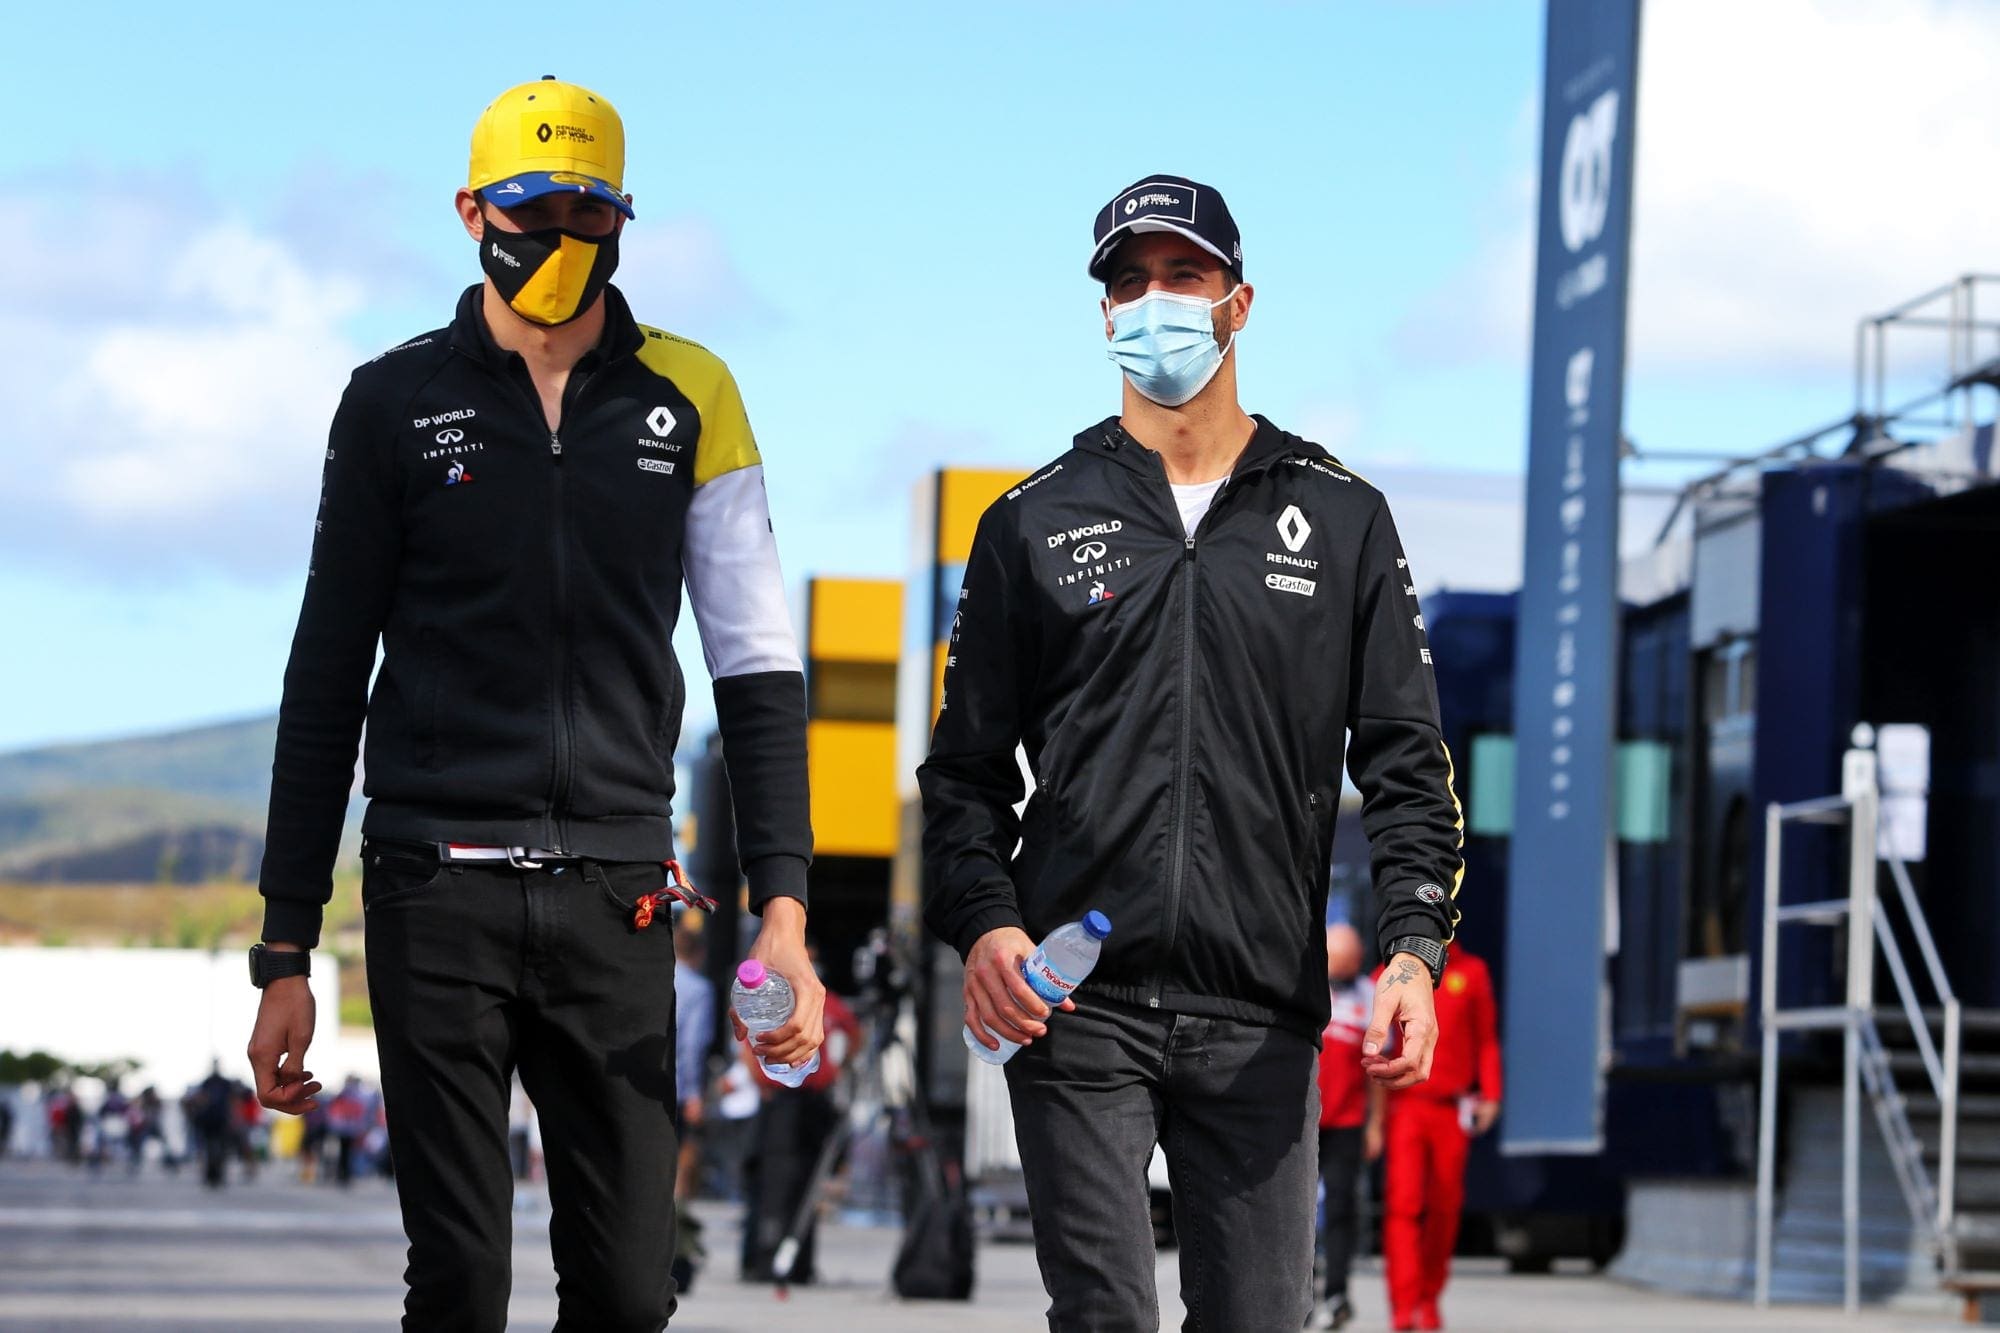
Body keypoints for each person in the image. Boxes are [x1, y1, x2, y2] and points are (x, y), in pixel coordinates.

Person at [245, 75, 821, 1331]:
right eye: (532, 209)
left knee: (624, 1291)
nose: (561, 238)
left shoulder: (694, 395)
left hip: (616, 893)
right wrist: (285, 946)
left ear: (624, 218)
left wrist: (784, 910)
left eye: (588, 210)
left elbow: (760, 670)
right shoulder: (390, 401)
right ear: (469, 212)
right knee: (459, 1280)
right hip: (430, 886)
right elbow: (324, 676)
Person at [919, 173, 1464, 1332]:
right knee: (1104, 1316)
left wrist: (1412, 950)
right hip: (1073, 1006)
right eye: (1127, 281)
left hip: (1260, 1011)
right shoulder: (1028, 519)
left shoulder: (1341, 516)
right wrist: (985, 922)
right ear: (1102, 312)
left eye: (1181, 275)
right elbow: (960, 776)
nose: (1151, 301)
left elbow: (1408, 766)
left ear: (1238, 301)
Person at [1367, 945, 1502, 1331]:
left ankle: (1428, 1298)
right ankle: (1404, 1303)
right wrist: (1374, 1120)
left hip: (1449, 1107)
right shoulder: (1389, 973)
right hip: (1406, 1107)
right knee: (1403, 1205)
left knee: (1444, 1205)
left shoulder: (1471, 972)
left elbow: (1486, 1037)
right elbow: (1374, 1042)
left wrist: (1490, 1092)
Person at [739, 978, 859, 1285]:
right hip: (779, 1099)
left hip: (813, 1098)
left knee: (808, 1178)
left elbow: (855, 1033)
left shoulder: (825, 999)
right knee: (773, 1180)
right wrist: (756, 1076)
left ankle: (800, 1261)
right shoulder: (773, 996)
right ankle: (765, 1255)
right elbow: (745, 1035)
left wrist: (839, 1066)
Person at [1312, 923, 1375, 1330]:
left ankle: (1336, 1293)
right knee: (1292, 1211)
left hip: (1347, 1123)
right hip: (1300, 1123)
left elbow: (1376, 1070)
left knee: (1340, 1210)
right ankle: (1296, 1292)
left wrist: (1377, 1125)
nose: (1345, 969)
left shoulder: (1368, 996)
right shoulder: (1308, 985)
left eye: (1350, 962)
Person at [673, 918, 716, 1197]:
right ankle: (673, 1217)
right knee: (677, 1152)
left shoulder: (655, 979)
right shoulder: (699, 989)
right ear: (698, 953)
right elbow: (692, 1045)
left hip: (639, 1078)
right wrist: (693, 1094)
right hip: (674, 1084)